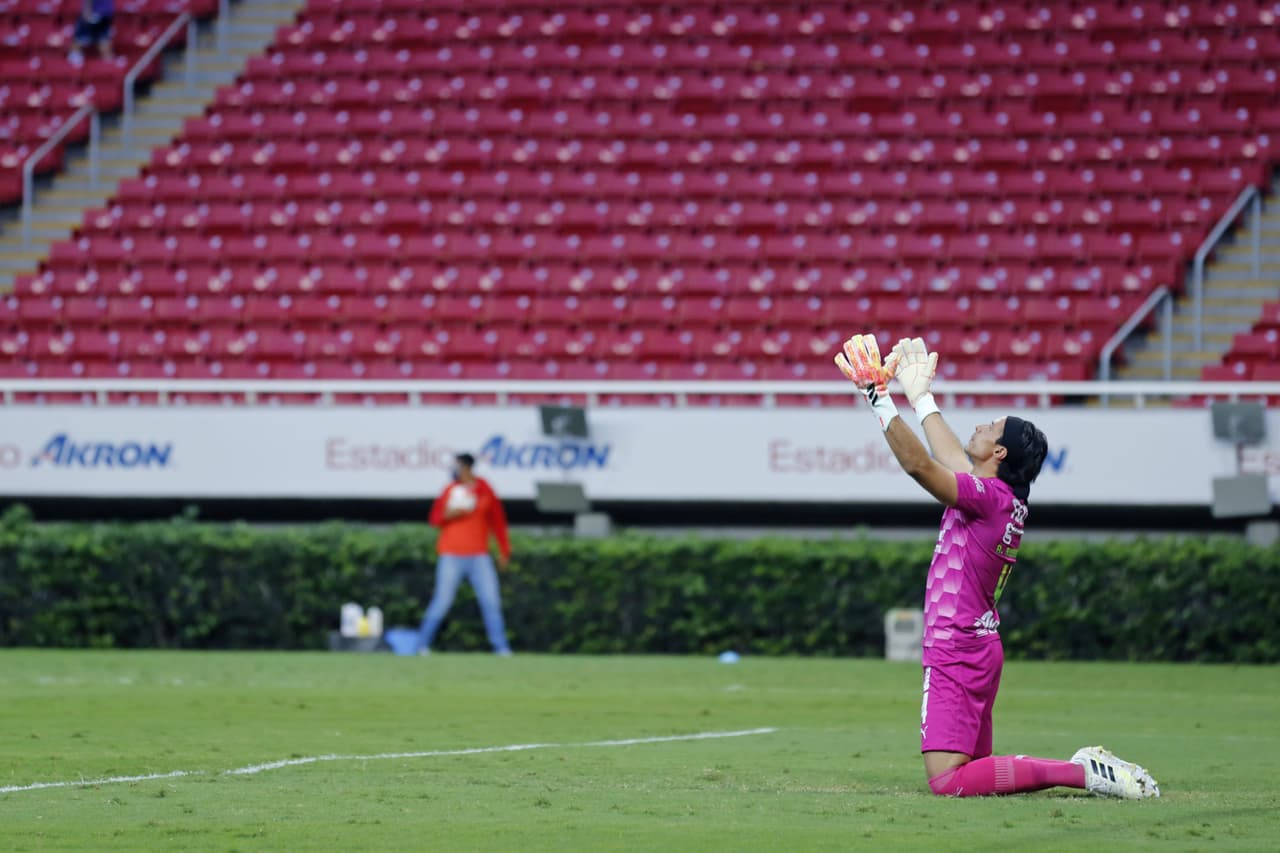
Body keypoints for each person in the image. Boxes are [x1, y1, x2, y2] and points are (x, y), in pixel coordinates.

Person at [835, 334, 1160, 799]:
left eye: (991, 427)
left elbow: (921, 468)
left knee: (948, 780)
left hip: (956, 648)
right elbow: (951, 461)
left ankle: (1080, 771)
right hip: (977, 645)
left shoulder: (988, 499)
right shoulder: (999, 499)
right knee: (978, 771)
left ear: (1000, 453)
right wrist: (921, 398)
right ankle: (1077, 771)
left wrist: (877, 397)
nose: (981, 427)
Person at [417, 452, 513, 656]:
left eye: (458, 466)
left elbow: (498, 522)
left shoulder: (483, 489)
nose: (454, 470)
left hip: (479, 555)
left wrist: (504, 551)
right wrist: (449, 515)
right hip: (451, 554)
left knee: (491, 602)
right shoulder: (450, 490)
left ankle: (501, 648)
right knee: (441, 602)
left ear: (468, 468)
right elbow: (435, 519)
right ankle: (421, 645)